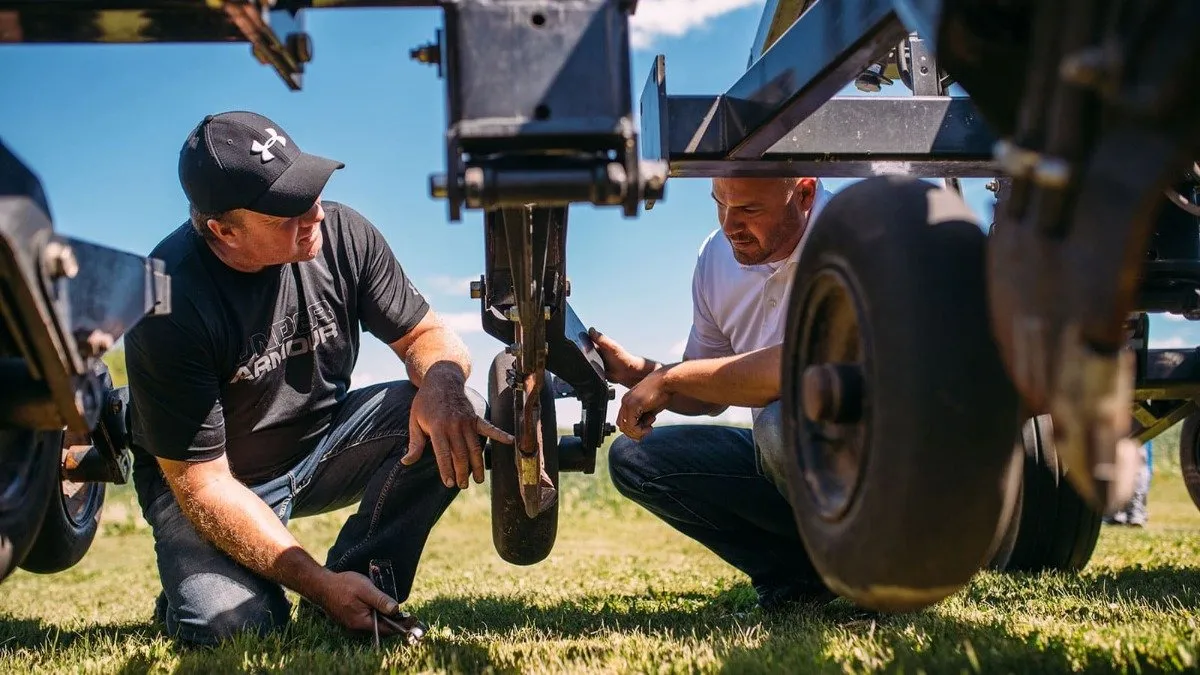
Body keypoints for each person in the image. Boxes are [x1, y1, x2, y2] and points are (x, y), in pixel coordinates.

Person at [124, 110, 512, 646]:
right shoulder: (165, 299)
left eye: (310, 190)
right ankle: (201, 573)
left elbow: (425, 336)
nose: (315, 214)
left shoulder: (344, 233)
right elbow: (204, 485)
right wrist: (317, 585)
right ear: (224, 231)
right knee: (236, 629)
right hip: (210, 478)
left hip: (319, 448)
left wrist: (442, 384)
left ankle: (367, 583)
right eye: (286, 210)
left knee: (450, 406)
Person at [589, 176, 834, 612]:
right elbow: (708, 395)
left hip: (879, 463)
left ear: (804, 194)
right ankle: (797, 577)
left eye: (749, 210)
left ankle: (878, 566)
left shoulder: (853, 237)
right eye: (719, 203)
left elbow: (798, 366)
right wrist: (636, 373)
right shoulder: (716, 257)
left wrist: (670, 379)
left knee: (783, 422)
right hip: (788, 460)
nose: (729, 224)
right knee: (634, 459)